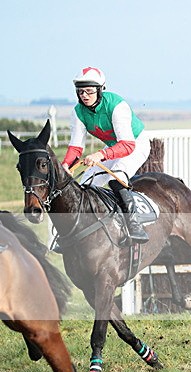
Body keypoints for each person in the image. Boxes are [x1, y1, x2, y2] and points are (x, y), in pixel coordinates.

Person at [61, 67, 150, 243]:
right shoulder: (78, 112)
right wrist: (66, 165)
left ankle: (135, 226)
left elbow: (127, 145)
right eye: (80, 91)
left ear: (100, 90)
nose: (84, 95)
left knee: (116, 178)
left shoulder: (117, 106)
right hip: (113, 149)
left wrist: (100, 155)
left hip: (135, 145)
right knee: (84, 186)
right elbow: (76, 147)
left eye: (89, 91)